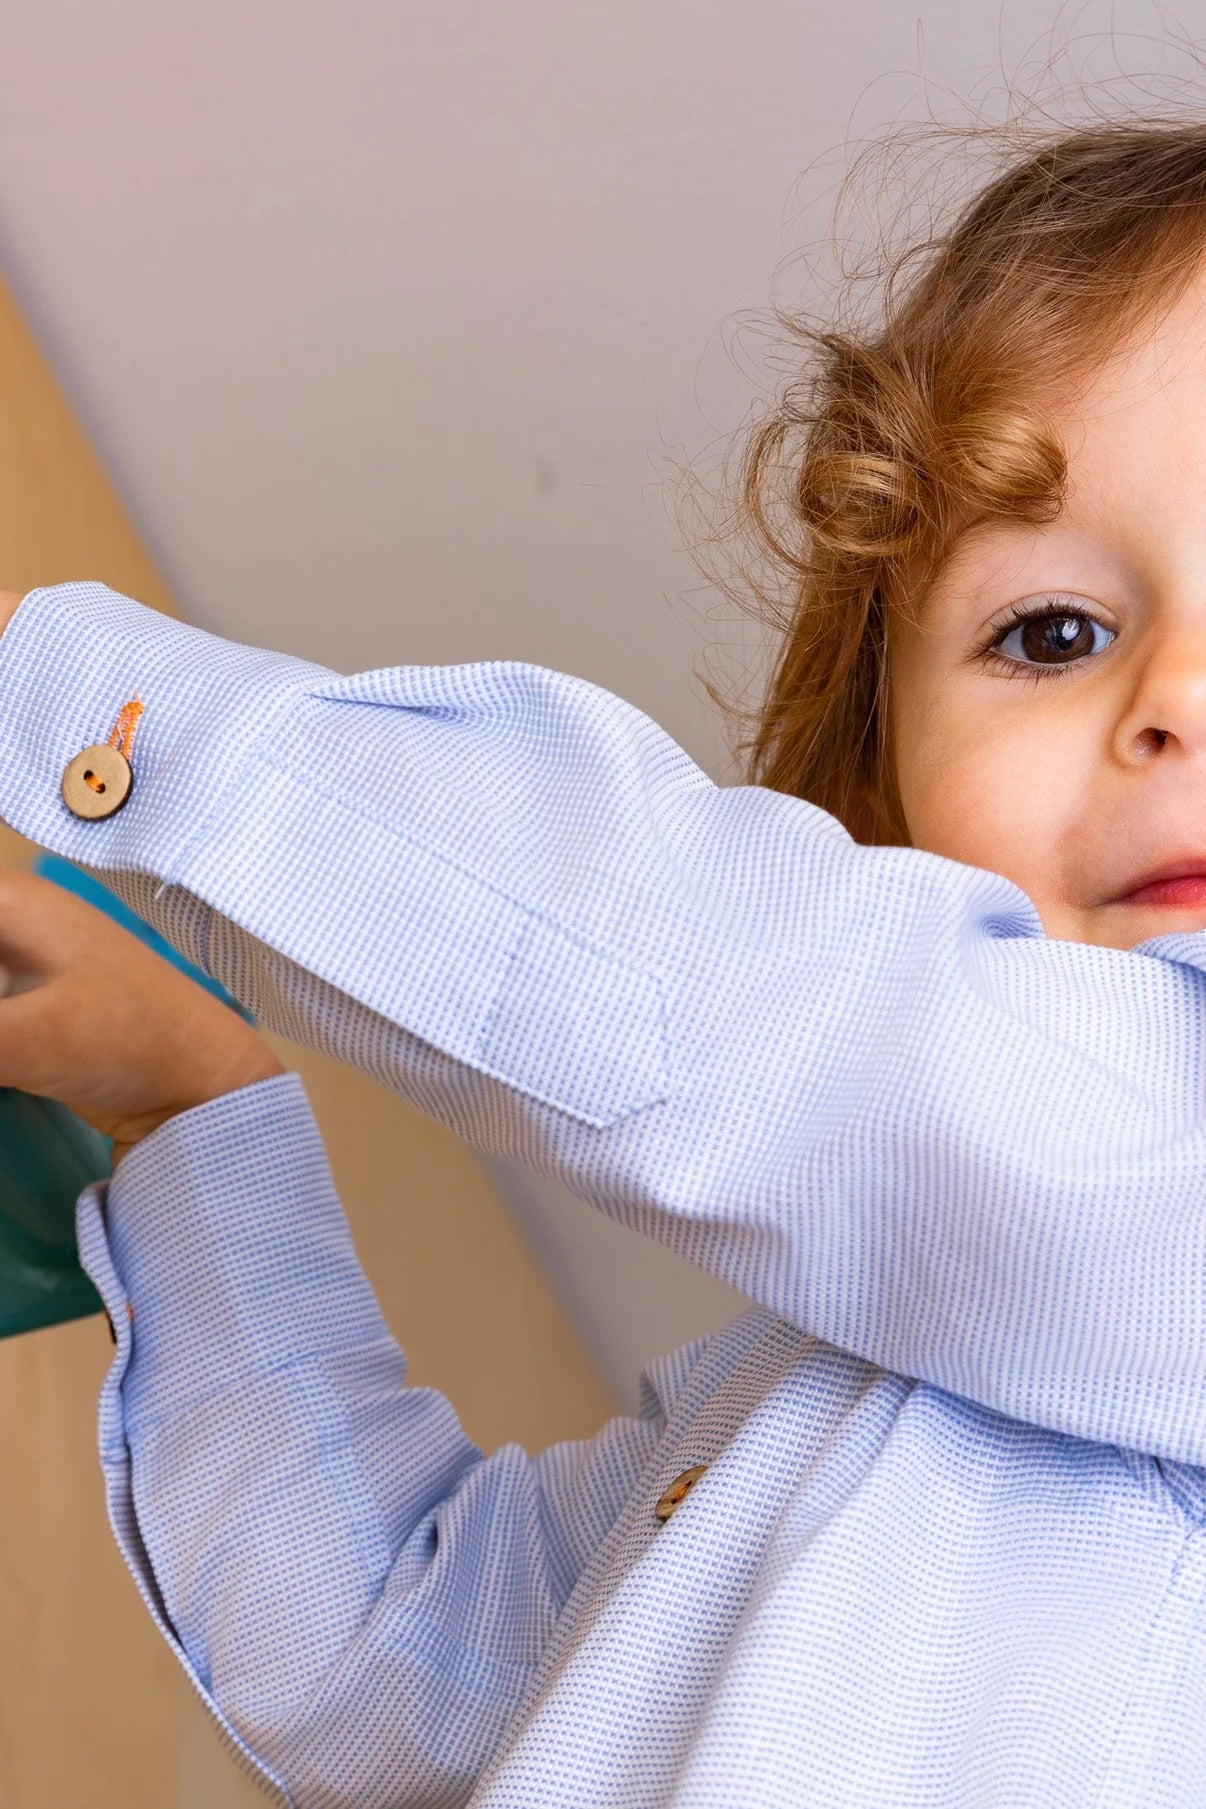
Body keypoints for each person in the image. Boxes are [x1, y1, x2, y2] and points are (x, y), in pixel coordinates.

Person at [2, 115, 1206, 1807]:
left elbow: (754, 1001)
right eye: (1051, 632)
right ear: (886, 830)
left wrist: (92, 718)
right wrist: (192, 1107)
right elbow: (389, 1665)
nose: (1178, 701)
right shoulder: (773, 1413)